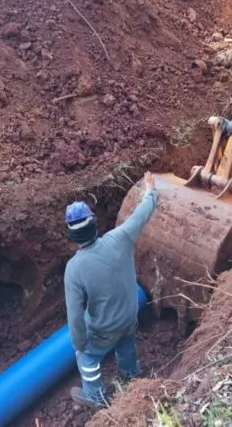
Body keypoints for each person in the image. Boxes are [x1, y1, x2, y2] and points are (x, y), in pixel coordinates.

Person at [63, 172, 159, 409]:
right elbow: (142, 213)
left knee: (86, 356)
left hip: (104, 330)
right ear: (94, 225)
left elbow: (75, 315)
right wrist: (151, 190)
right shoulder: (121, 236)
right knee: (126, 343)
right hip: (129, 316)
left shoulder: (74, 269)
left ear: (71, 235)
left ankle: (95, 395)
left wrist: (80, 343)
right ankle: (131, 374)